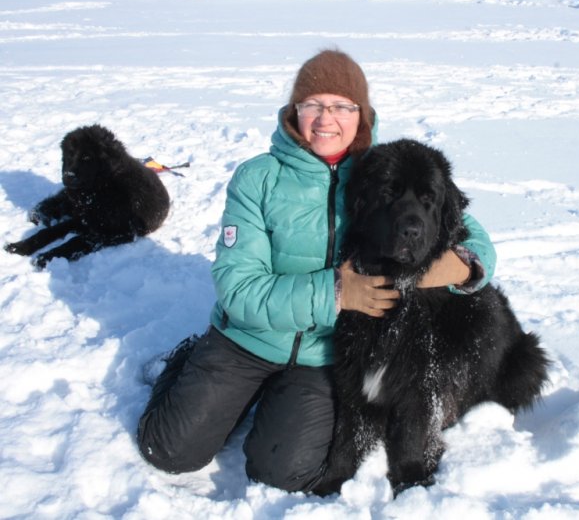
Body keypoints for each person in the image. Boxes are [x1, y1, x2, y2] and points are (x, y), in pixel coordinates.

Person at [137, 48, 497, 493]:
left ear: (361, 115)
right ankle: (185, 362)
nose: (327, 119)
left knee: (283, 473)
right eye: (314, 105)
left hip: (322, 355)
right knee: (169, 451)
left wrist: (460, 266)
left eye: (343, 106)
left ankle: (269, 403)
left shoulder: (380, 171)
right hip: (247, 338)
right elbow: (237, 288)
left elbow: (463, 225)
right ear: (295, 112)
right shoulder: (257, 178)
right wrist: (337, 295)